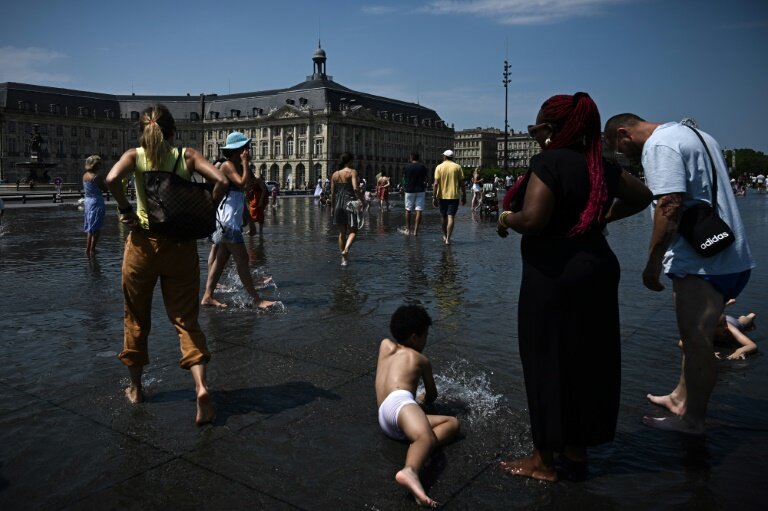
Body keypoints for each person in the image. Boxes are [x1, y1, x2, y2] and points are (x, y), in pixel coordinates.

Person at [497, 93, 652, 481]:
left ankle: (543, 461)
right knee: (586, 360)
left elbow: (532, 218)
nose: (533, 135)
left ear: (552, 129)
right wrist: (600, 218)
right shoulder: (597, 163)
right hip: (597, 269)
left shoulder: (548, 162)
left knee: (545, 360)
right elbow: (643, 196)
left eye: (536, 128)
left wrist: (505, 217)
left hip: (554, 275)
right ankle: (577, 449)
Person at [604, 113, 755, 435]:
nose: (622, 155)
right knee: (691, 337)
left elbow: (669, 205)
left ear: (623, 134)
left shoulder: (660, 145)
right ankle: (680, 397)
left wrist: (653, 261)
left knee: (697, 342)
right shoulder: (696, 135)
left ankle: (693, 420)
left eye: (618, 148)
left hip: (703, 264)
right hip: (729, 252)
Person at [105, 104, 228, 425]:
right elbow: (222, 181)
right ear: (174, 131)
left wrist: (126, 209)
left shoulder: (135, 156)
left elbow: (111, 178)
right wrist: (203, 210)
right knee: (186, 320)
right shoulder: (186, 155)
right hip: (181, 248)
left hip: (142, 246)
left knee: (135, 319)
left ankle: (135, 388)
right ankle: (201, 387)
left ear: (143, 131)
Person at [375, 304, 460, 507]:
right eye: (425, 336)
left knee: (452, 423)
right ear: (415, 337)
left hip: (385, 417)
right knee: (426, 436)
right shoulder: (421, 359)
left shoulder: (385, 345)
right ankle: (410, 470)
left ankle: (420, 447)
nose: (426, 340)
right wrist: (421, 399)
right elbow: (432, 395)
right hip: (402, 405)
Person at [201, 132, 276, 310]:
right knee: (242, 259)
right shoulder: (227, 165)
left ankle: (208, 295)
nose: (247, 150)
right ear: (237, 150)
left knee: (221, 259)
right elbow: (242, 184)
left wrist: (246, 218)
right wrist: (245, 162)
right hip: (226, 221)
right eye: (245, 148)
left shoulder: (235, 165)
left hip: (229, 220)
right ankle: (256, 300)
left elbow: (246, 189)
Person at [331, 153, 365, 266]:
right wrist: (362, 200)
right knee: (354, 230)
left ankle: (344, 260)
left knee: (341, 233)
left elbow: (332, 194)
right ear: (349, 161)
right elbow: (355, 188)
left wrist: (332, 207)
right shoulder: (352, 172)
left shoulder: (334, 175)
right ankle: (346, 250)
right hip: (350, 203)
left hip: (338, 205)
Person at [432, 150, 466, 245]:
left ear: (445, 157)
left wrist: (434, 197)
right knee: (451, 217)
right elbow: (462, 184)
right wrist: (464, 195)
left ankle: (444, 234)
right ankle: (448, 238)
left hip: (442, 196)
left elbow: (435, 184)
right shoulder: (457, 167)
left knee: (443, 216)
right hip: (454, 196)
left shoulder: (439, 167)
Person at [82, 155, 108, 257]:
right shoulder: (96, 177)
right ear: (94, 165)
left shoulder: (85, 175)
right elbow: (105, 189)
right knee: (96, 228)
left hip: (88, 202)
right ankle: (92, 250)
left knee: (90, 227)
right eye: (98, 164)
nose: (100, 166)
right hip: (97, 202)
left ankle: (88, 249)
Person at [403, 152, 428, 236]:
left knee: (408, 210)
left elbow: (404, 177)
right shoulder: (422, 167)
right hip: (420, 189)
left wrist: (404, 186)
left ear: (411, 157)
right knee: (419, 210)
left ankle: (407, 229)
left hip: (409, 189)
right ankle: (416, 231)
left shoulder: (406, 166)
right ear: (418, 158)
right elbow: (425, 178)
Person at [245, 167, 269, 236]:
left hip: (262, 194)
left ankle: (260, 230)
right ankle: (251, 229)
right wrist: (247, 197)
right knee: (252, 210)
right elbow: (246, 189)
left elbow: (264, 190)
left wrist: (261, 201)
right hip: (254, 194)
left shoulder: (257, 178)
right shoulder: (246, 179)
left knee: (260, 211)